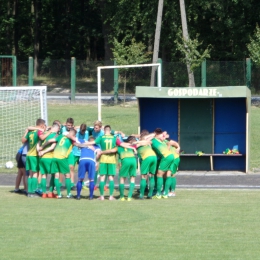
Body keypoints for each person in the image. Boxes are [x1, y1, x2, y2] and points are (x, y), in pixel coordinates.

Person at [39, 128, 76, 199]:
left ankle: (59, 195)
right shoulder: (72, 139)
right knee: (67, 175)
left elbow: (49, 140)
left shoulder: (60, 136)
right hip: (62, 157)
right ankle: (68, 194)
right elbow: (77, 142)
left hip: (54, 157)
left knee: (55, 175)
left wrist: (42, 147)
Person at [21, 118, 47, 197]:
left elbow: (23, 140)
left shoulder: (30, 132)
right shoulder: (39, 131)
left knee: (30, 174)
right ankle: (33, 192)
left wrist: (26, 132)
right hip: (34, 156)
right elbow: (42, 138)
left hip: (29, 154)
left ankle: (29, 192)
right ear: (41, 125)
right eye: (44, 125)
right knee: (35, 174)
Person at [151, 128, 177, 199]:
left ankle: (158, 194)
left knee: (159, 174)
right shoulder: (163, 141)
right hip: (172, 156)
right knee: (167, 174)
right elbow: (173, 143)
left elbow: (144, 140)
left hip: (166, 157)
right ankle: (166, 193)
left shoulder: (152, 140)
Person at [37, 123, 60, 198]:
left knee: (44, 175)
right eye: (58, 129)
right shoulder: (56, 136)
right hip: (50, 157)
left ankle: (44, 193)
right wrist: (44, 151)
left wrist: (39, 151)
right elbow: (52, 147)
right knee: (53, 175)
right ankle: (50, 192)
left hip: (42, 158)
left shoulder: (45, 134)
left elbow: (39, 142)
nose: (59, 130)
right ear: (56, 129)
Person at [135, 133, 157, 199]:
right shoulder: (148, 143)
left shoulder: (138, 144)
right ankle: (150, 195)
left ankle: (141, 195)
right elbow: (152, 136)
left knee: (143, 176)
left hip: (147, 157)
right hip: (154, 157)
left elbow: (153, 135)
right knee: (152, 176)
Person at [117, 136, 138, 201]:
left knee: (122, 178)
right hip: (133, 160)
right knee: (132, 178)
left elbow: (119, 159)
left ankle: (122, 197)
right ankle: (129, 197)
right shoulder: (132, 147)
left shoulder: (119, 147)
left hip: (125, 160)